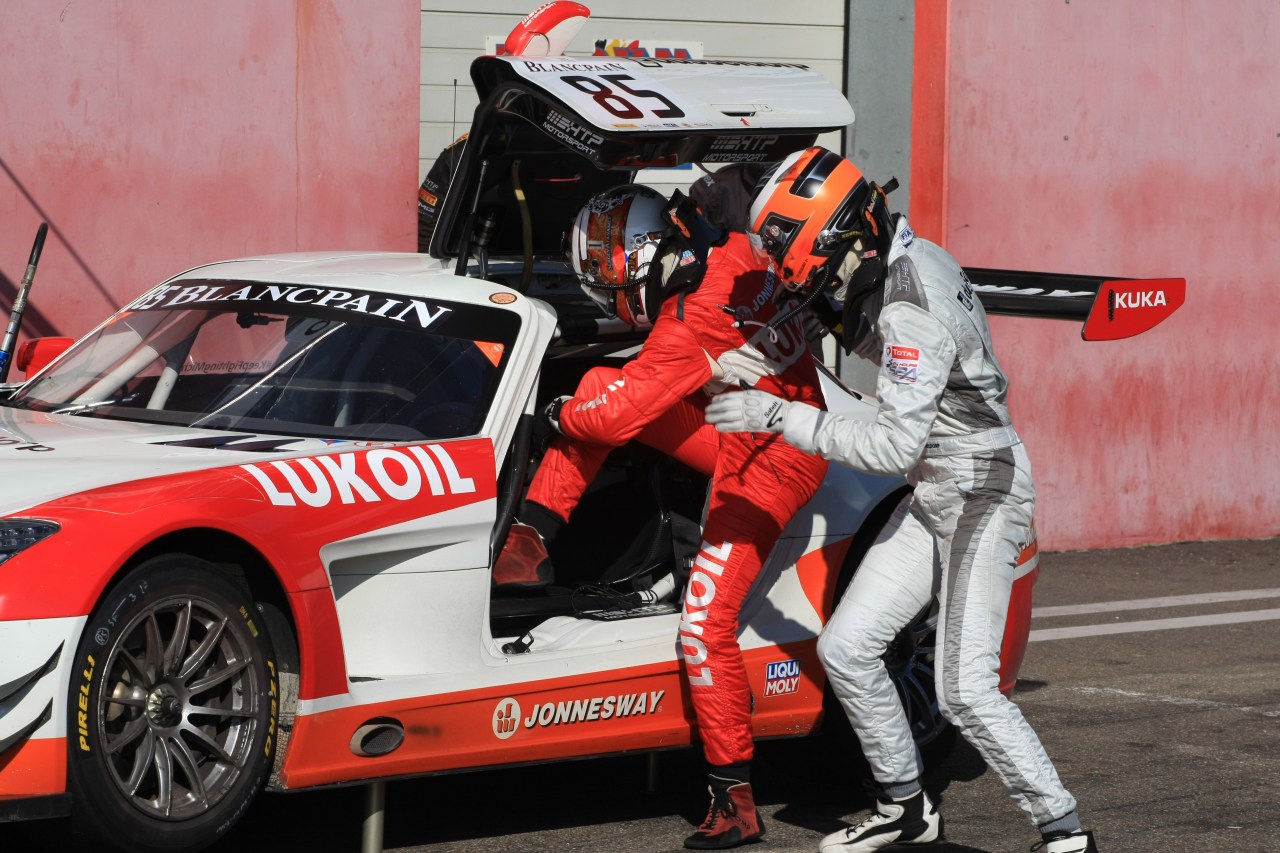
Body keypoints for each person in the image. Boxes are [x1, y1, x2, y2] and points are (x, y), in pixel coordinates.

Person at [704, 147, 1098, 853]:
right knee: (848, 645)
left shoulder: (909, 312)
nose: (813, 286)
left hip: (981, 487)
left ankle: (1065, 832)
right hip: (941, 482)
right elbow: (828, 311)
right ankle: (906, 806)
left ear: (838, 241)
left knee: (965, 690)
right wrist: (762, 354)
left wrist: (778, 416)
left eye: (810, 265)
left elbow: (889, 448)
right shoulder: (909, 254)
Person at [495, 182, 829, 849]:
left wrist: (555, 415)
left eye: (609, 278)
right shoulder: (734, 249)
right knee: (600, 383)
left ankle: (734, 796)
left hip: (772, 462)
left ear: (639, 260)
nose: (614, 295)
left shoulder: (684, 324)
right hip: (759, 425)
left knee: (705, 624)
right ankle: (530, 538)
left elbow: (614, 418)